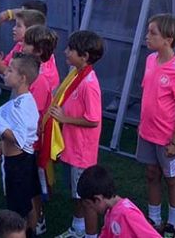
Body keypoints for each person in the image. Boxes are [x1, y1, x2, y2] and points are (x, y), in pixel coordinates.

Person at [44, 30, 104, 238]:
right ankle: (77, 228)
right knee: (76, 195)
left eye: (71, 50)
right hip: (72, 147)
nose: (65, 52)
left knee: (86, 198)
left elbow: (93, 119)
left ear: (84, 56)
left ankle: (90, 235)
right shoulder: (77, 75)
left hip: (81, 152)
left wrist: (64, 119)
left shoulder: (88, 84)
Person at [137, 14, 175, 235]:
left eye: (153, 33)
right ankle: (154, 218)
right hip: (146, 133)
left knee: (172, 180)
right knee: (151, 173)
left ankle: (174, 222)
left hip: (167, 139)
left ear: (168, 39)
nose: (147, 36)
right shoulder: (150, 60)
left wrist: (174, 141)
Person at [0, 54, 41, 232]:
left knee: (19, 209)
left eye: (10, 70)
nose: (6, 72)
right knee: (25, 202)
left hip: (18, 164)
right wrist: (1, 143)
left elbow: (19, 139)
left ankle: (23, 233)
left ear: (22, 78)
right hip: (19, 161)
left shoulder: (23, 105)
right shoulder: (20, 101)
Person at [76, 165, 161, 238]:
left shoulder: (127, 214)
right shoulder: (109, 213)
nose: (91, 209)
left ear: (98, 199)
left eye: (89, 204)